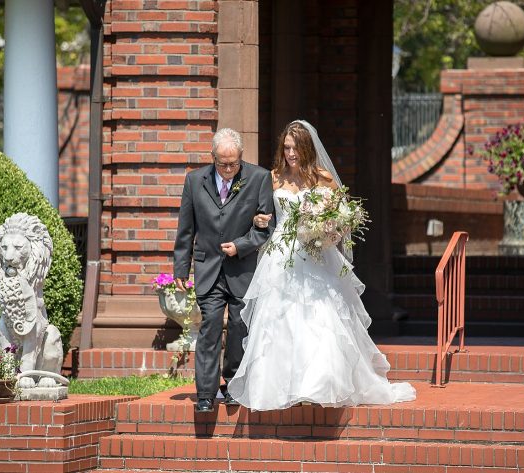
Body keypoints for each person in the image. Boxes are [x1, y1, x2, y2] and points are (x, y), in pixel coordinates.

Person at [227, 120, 416, 410]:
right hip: (280, 254)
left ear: (306, 148)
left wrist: (329, 230)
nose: (290, 153)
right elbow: (261, 213)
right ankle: (279, 388)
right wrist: (258, 220)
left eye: (295, 148)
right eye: (286, 147)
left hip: (314, 254)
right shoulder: (274, 178)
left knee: (318, 319)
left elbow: (344, 216)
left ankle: (318, 385)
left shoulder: (322, 178)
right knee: (279, 319)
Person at [173, 128, 274, 412]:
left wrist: (241, 245)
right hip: (207, 267)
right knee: (210, 327)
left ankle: (231, 384)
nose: (228, 169)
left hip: (242, 269)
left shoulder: (258, 178)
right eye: (222, 163)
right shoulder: (195, 181)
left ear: (241, 157)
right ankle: (205, 394)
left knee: (240, 327)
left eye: (234, 163)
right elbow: (186, 228)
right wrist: (181, 267)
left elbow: (267, 227)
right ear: (213, 157)